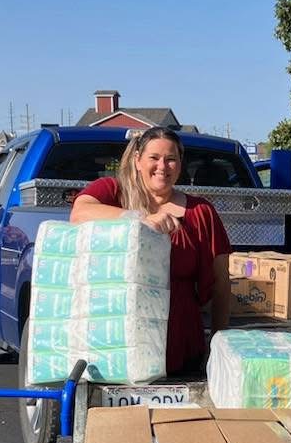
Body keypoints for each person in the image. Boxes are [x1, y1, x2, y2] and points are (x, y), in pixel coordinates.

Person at [70, 127, 231, 375]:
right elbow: (79, 213)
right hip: (116, 349)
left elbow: (221, 284)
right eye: (154, 158)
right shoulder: (114, 192)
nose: (162, 167)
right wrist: (140, 219)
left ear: (180, 164)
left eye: (171, 159)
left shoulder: (201, 212)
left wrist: (218, 348)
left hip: (181, 347)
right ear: (137, 160)